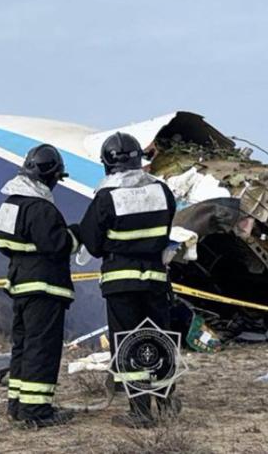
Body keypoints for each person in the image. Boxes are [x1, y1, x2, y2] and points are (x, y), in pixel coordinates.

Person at [76, 132, 179, 428]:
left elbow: (92, 243)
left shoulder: (107, 197)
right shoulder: (162, 191)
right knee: (159, 338)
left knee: (129, 343)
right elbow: (165, 230)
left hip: (122, 282)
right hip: (156, 280)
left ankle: (141, 412)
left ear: (108, 163)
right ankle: (167, 399)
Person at [0, 144, 78, 429]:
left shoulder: (11, 204)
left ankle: (17, 405)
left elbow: (2, 243)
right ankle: (37, 411)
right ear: (51, 176)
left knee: (23, 345)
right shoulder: (41, 208)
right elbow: (58, 245)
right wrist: (76, 235)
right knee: (42, 348)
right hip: (44, 288)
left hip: (20, 285)